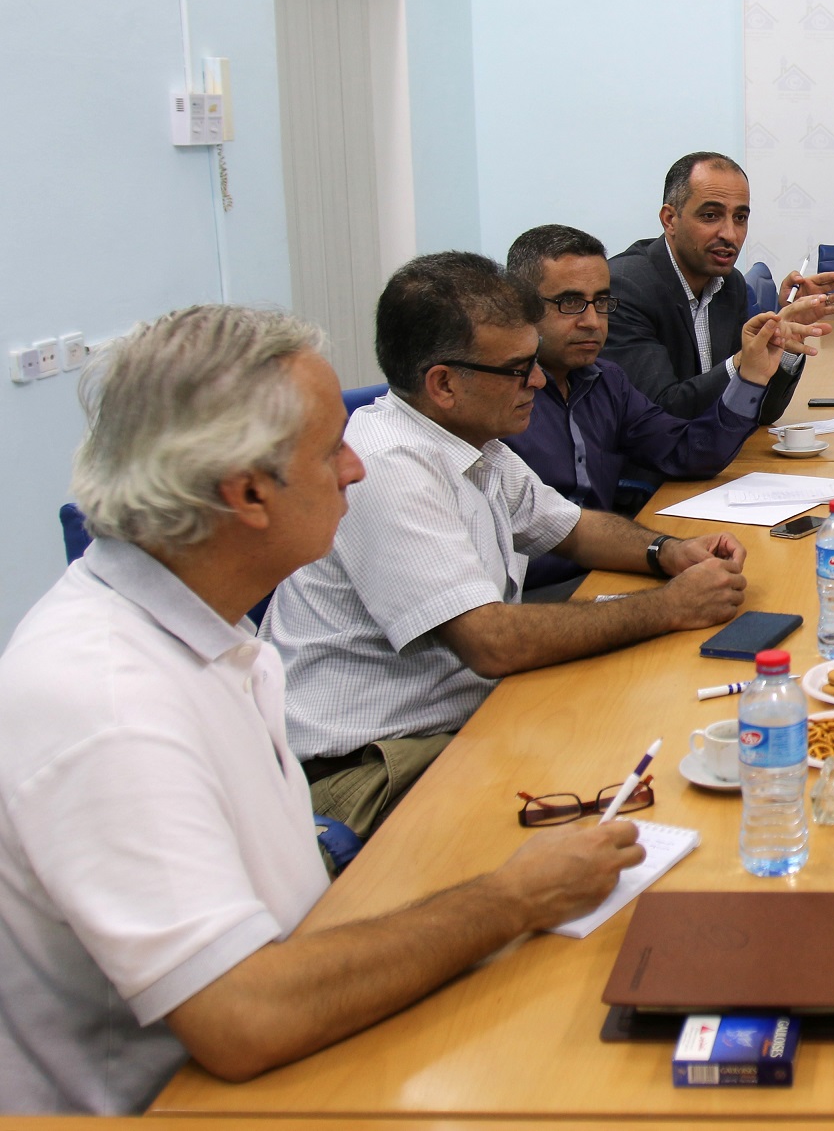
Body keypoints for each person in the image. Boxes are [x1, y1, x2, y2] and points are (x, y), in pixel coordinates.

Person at [0, 305, 644, 1114]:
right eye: (331, 448)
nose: (356, 469)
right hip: (191, 1101)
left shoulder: (205, 625)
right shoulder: (108, 702)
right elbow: (246, 1015)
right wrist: (515, 898)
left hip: (299, 1020)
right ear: (247, 493)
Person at [268, 253, 749, 838]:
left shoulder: (475, 441)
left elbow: (572, 527)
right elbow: (491, 642)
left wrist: (669, 552)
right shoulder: (391, 466)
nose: (539, 382)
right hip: (376, 763)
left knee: (650, 726)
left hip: (464, 717)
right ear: (444, 384)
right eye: (519, 369)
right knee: (643, 776)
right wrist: (670, 606)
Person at [502, 224, 813, 593]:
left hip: (612, 566)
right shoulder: (497, 402)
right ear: (519, 306)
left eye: (601, 302)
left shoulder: (606, 380)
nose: (592, 321)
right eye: (570, 303)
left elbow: (690, 452)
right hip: (530, 594)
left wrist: (752, 376)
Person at [607, 151, 834, 422]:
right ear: (670, 219)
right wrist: (744, 363)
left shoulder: (729, 284)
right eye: (710, 216)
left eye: (740, 218)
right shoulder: (625, 288)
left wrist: (784, 344)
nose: (730, 234)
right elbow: (659, 416)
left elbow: (761, 412)